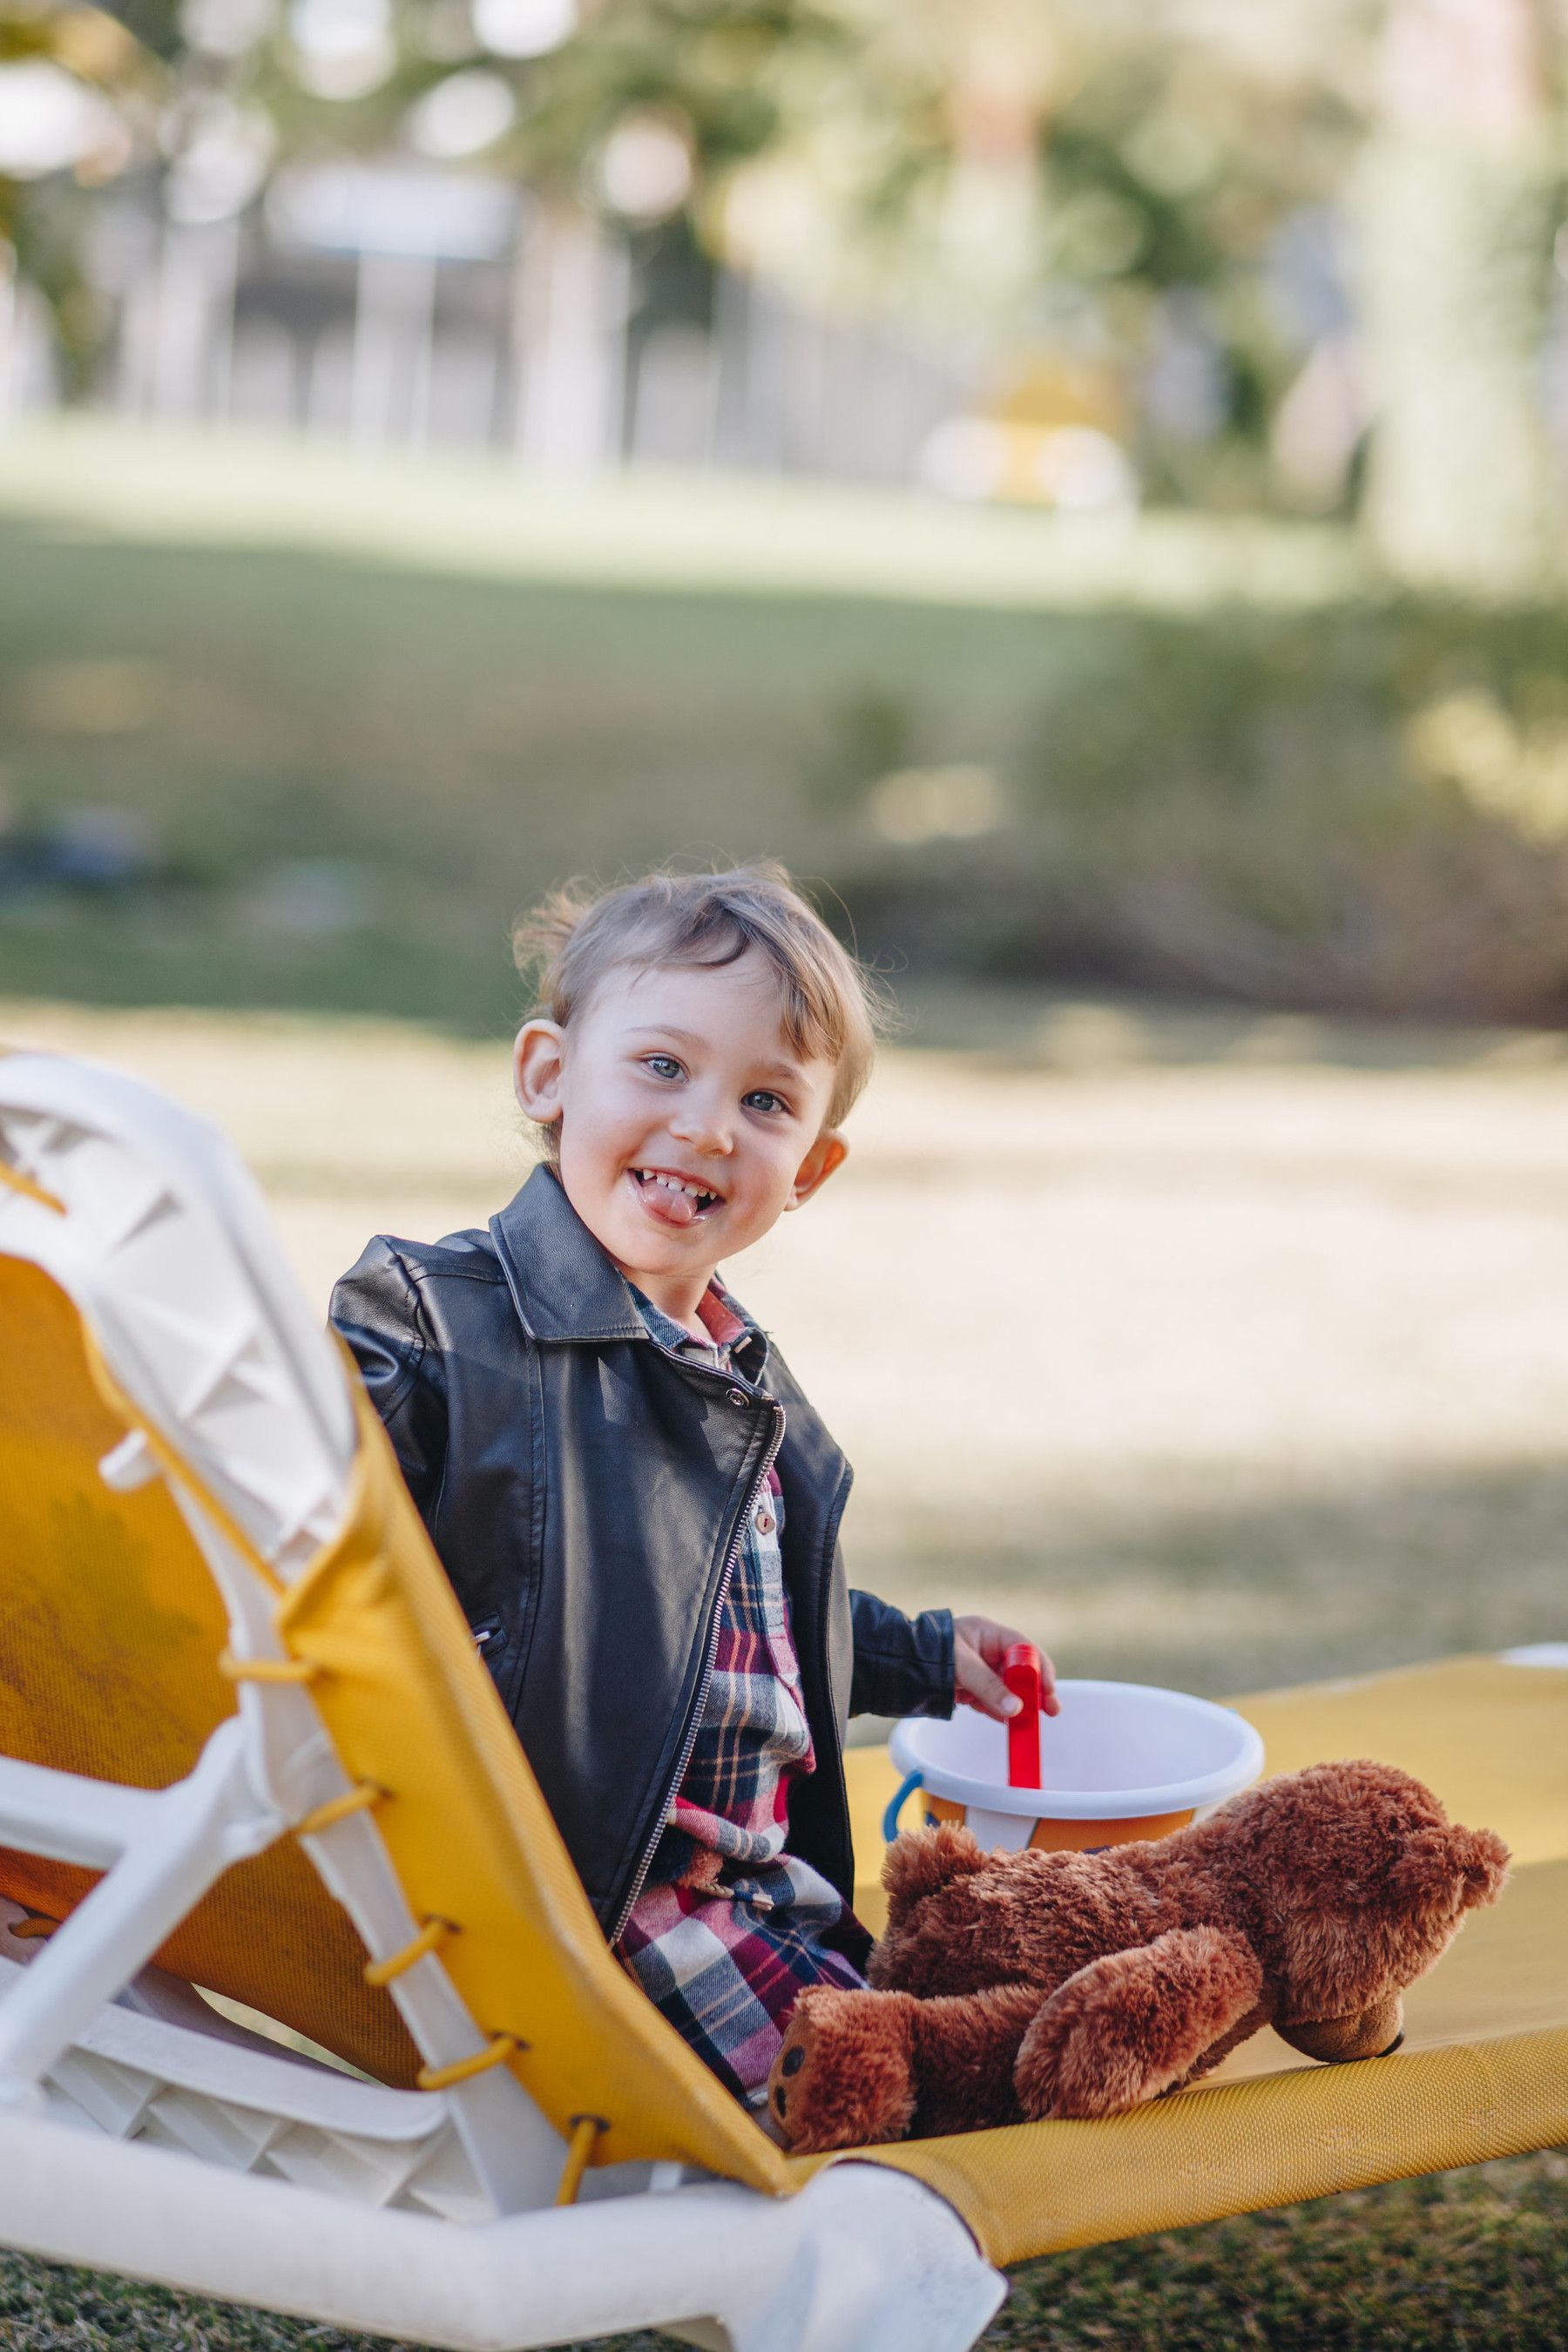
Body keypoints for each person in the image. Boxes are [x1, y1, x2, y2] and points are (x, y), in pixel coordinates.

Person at [331, 864, 1058, 2110]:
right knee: (955, 2090)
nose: (709, 1126)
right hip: (599, 1916)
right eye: (662, 1068)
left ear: (811, 1170)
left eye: (764, 1100)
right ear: (549, 1076)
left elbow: (739, 1618)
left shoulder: (731, 1375)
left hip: (760, 1899)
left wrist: (925, 1656)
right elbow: (298, 1533)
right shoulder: (438, 1323)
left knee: (1016, 1985)